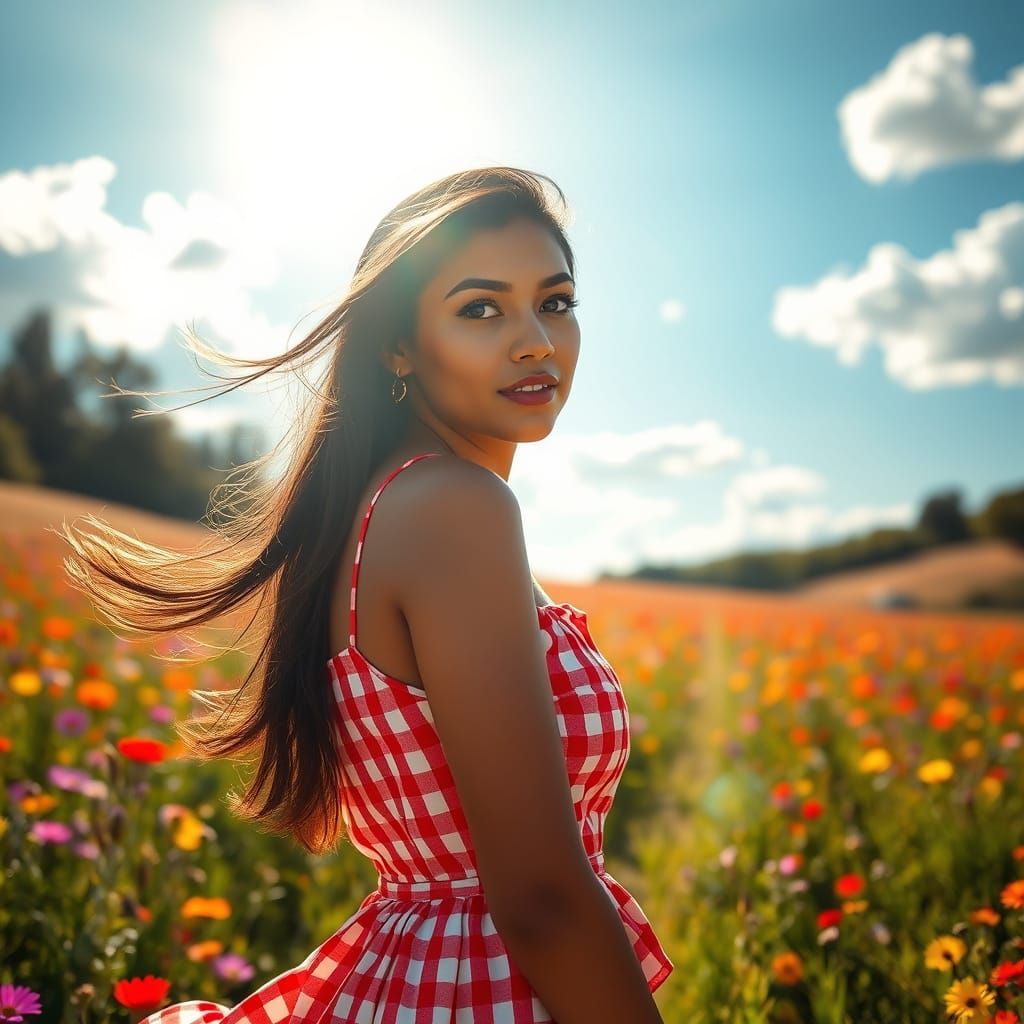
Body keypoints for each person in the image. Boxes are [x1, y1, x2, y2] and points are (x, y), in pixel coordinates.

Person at [60, 167, 673, 1022]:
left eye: (557, 302)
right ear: (398, 346)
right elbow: (541, 896)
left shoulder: (391, 504)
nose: (536, 339)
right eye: (481, 309)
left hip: (423, 977)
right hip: (482, 987)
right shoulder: (455, 508)